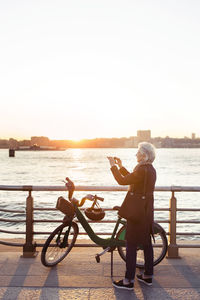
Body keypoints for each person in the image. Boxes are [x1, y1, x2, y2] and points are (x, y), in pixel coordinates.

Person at [107, 142, 156, 290]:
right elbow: (133, 178)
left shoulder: (141, 169)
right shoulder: (150, 169)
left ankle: (128, 281)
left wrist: (112, 166)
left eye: (137, 153)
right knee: (146, 243)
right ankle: (148, 275)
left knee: (131, 244)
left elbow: (123, 181)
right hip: (146, 211)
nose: (136, 155)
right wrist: (121, 166)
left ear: (143, 155)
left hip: (136, 212)